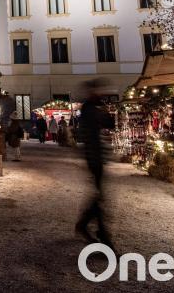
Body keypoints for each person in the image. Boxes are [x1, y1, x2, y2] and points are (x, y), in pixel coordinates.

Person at [75, 79, 116, 249]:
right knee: (99, 196)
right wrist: (105, 110)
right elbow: (109, 123)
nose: (101, 92)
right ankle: (101, 234)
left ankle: (86, 226)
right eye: (99, 89)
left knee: (99, 196)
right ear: (93, 91)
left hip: (95, 156)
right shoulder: (90, 109)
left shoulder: (90, 108)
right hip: (94, 157)